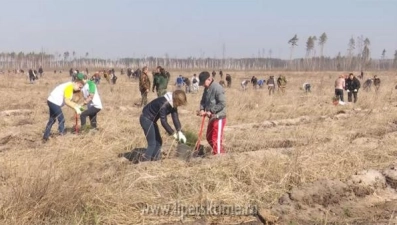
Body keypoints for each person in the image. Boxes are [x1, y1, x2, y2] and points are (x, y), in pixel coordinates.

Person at [139, 90, 187, 161]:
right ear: (177, 100)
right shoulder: (164, 103)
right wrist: (173, 133)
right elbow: (163, 122)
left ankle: (155, 160)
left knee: (158, 142)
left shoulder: (173, 103)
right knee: (152, 144)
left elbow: (175, 118)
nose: (180, 105)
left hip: (152, 120)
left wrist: (179, 131)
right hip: (146, 119)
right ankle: (145, 163)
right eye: (180, 103)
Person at [43, 73, 85, 142]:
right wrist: (77, 107)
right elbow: (67, 101)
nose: (79, 89)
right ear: (77, 83)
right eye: (80, 87)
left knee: (52, 120)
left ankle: (45, 137)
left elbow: (72, 100)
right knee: (61, 119)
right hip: (54, 102)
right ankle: (61, 135)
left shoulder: (70, 86)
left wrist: (77, 104)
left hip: (51, 101)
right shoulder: (69, 87)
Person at [198, 71, 227, 155]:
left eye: (204, 82)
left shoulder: (217, 88)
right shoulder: (206, 88)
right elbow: (203, 101)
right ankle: (219, 151)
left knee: (215, 138)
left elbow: (222, 103)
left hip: (219, 117)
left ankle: (219, 157)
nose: (203, 85)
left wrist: (211, 111)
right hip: (211, 117)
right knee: (209, 137)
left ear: (209, 79)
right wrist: (202, 109)